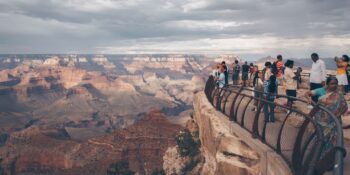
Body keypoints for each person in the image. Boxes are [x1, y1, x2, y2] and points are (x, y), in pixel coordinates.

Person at [308, 77, 348, 157]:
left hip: (334, 121)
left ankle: (332, 159)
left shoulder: (339, 94)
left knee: (334, 140)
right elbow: (307, 93)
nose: (334, 85)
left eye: (336, 83)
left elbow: (344, 106)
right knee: (321, 138)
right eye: (332, 83)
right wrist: (309, 99)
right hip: (321, 121)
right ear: (327, 84)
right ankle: (319, 158)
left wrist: (337, 114)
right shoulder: (321, 90)